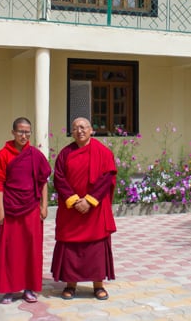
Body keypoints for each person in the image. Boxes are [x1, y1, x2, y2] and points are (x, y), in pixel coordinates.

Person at [51, 117, 117, 301]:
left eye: (83, 127)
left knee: (95, 247)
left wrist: (89, 201)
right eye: (75, 128)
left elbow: (107, 178)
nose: (79, 131)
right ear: (71, 132)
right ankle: (70, 285)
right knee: (71, 247)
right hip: (71, 209)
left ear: (91, 130)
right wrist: (73, 200)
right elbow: (59, 179)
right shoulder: (65, 153)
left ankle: (98, 285)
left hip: (94, 210)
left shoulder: (102, 152)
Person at [0, 117, 51, 304]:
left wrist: (44, 205)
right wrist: (0, 209)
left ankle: (29, 288)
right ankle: (9, 288)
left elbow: (43, 181)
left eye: (27, 132)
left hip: (32, 208)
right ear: (13, 132)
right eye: (20, 131)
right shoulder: (4, 154)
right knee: (10, 249)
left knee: (31, 249)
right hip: (11, 208)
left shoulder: (35, 154)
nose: (24, 135)